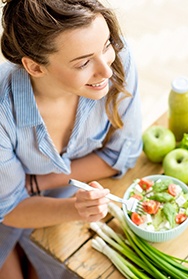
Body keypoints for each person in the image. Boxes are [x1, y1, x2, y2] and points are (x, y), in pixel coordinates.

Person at [0, 0, 142, 278]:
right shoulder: (4, 112)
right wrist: (76, 207)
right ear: (35, 67)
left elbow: (122, 154)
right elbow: (10, 207)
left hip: (37, 194)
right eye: (84, 63)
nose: (107, 71)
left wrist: (42, 182)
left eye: (106, 45)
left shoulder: (118, 59)